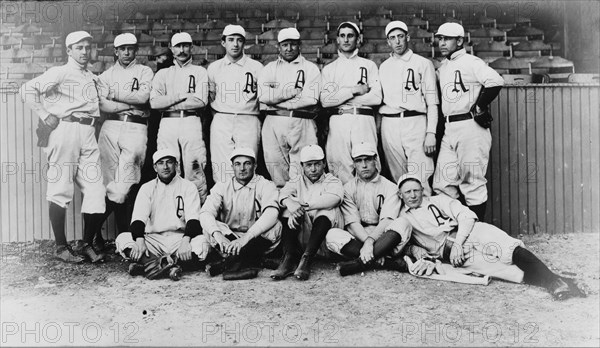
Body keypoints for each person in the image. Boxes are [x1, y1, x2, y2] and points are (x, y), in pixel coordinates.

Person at [391, 174, 584, 300]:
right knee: (506, 271)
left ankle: (555, 283)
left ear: (422, 190)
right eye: (408, 192)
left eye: (416, 190)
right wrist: (421, 253)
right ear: (400, 195)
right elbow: (405, 245)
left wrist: (458, 242)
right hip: (453, 254)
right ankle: (559, 282)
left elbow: (466, 215)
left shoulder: (438, 200)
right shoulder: (404, 218)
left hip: (470, 232)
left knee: (509, 249)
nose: (413, 195)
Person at [20, 31, 106, 263]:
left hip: (88, 132)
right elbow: (26, 89)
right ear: (69, 50)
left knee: (97, 191)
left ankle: (86, 243)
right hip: (65, 130)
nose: (84, 52)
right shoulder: (60, 72)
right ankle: (61, 247)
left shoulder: (91, 76)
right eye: (79, 47)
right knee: (60, 189)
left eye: (87, 47)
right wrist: (44, 114)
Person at [433, 22, 504, 220]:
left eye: (447, 38)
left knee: (472, 182)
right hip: (450, 127)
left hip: (470, 126)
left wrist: (480, 105)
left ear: (460, 41)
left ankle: (476, 236)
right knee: (442, 183)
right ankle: (457, 231)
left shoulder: (471, 61)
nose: (442, 43)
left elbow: (496, 81)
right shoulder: (444, 67)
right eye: (440, 38)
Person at [115, 149, 211, 281]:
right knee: (123, 239)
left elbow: (193, 220)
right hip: (154, 239)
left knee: (203, 242)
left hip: (180, 238)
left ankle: (149, 266)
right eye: (160, 163)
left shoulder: (188, 186)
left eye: (169, 162)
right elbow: (138, 219)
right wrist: (139, 240)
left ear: (176, 165)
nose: (165, 167)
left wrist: (185, 241)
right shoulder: (147, 188)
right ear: (155, 167)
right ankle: (171, 266)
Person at [97, 33, 154, 245]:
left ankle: (91, 229)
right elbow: (103, 105)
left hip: (135, 127)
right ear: (116, 51)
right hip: (110, 126)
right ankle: (121, 236)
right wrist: (128, 103)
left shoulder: (144, 71)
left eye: (130, 48)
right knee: (110, 184)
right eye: (122, 49)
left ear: (136, 49)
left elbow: (143, 98)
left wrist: (114, 95)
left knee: (125, 185)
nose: (127, 52)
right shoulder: (106, 74)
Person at [324, 142, 408, 276]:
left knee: (403, 223)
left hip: (385, 237)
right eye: (359, 161)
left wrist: (370, 242)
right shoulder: (347, 188)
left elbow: (387, 221)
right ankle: (386, 262)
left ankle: (359, 264)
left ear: (375, 160)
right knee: (331, 234)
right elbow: (352, 224)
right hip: (359, 237)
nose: (364, 165)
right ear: (354, 164)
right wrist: (367, 244)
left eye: (368, 159)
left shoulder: (390, 187)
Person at [200, 147, 282, 280]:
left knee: (276, 226)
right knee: (209, 227)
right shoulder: (222, 186)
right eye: (238, 164)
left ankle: (228, 264)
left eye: (247, 163)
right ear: (232, 166)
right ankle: (253, 260)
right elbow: (205, 213)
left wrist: (246, 238)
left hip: (255, 238)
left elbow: (271, 213)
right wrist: (219, 236)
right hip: (230, 241)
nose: (242, 168)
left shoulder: (265, 184)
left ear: (255, 166)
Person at [379, 21, 439, 194]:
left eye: (400, 36)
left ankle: (425, 219)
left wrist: (431, 133)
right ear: (387, 42)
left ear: (408, 37)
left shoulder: (423, 63)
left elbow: (432, 102)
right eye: (392, 38)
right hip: (390, 124)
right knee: (398, 180)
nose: (397, 41)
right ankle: (405, 220)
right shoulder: (383, 67)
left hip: (415, 121)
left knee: (421, 177)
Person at [150, 32, 209, 203]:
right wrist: (180, 96)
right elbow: (154, 103)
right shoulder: (163, 74)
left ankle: (198, 216)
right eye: (178, 46)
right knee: (168, 167)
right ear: (171, 48)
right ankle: (171, 211)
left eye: (185, 46)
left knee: (195, 168)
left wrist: (167, 100)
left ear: (191, 47)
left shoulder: (199, 72)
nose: (182, 50)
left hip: (191, 121)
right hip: (168, 122)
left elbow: (200, 101)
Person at [320, 22, 382, 184]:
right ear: (337, 40)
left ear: (358, 39)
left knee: (367, 166)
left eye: (350, 35)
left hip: (363, 119)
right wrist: (353, 90)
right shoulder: (329, 69)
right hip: (339, 120)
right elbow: (326, 101)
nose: (346, 39)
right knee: (340, 169)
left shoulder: (369, 65)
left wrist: (340, 97)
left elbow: (376, 98)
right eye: (342, 36)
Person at [258, 27, 321, 187]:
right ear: (278, 46)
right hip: (273, 122)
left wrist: (275, 99)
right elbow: (264, 96)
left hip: (302, 121)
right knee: (276, 167)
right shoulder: (270, 68)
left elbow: (310, 99)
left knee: (304, 170)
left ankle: (304, 207)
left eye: (293, 44)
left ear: (299, 45)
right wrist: (290, 93)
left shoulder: (310, 68)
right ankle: (285, 207)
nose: (289, 48)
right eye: (284, 44)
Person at [273, 145, 344, 281]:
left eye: (317, 164)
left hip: (326, 241)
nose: (313, 169)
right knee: (289, 210)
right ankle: (289, 258)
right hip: (303, 236)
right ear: (302, 166)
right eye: (309, 165)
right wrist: (291, 204)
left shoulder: (332, 180)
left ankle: (307, 259)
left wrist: (303, 207)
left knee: (325, 210)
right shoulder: (296, 181)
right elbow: (282, 195)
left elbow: (335, 198)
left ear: (323, 164)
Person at [207, 25, 264, 183]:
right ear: (223, 42)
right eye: (231, 40)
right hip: (222, 119)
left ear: (244, 43)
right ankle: (223, 205)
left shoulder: (256, 67)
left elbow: (263, 97)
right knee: (221, 167)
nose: (235, 44)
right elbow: (211, 98)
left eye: (239, 40)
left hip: (248, 118)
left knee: (247, 165)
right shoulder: (214, 68)